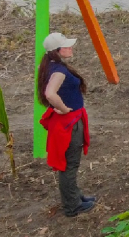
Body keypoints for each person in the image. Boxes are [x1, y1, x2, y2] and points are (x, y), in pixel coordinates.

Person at [37, 32, 94, 218]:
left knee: (69, 164)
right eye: (66, 46)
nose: (70, 48)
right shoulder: (59, 71)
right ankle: (72, 206)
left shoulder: (51, 66)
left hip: (66, 121)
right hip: (69, 123)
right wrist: (62, 108)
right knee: (70, 165)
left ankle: (75, 196)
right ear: (56, 51)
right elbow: (50, 93)